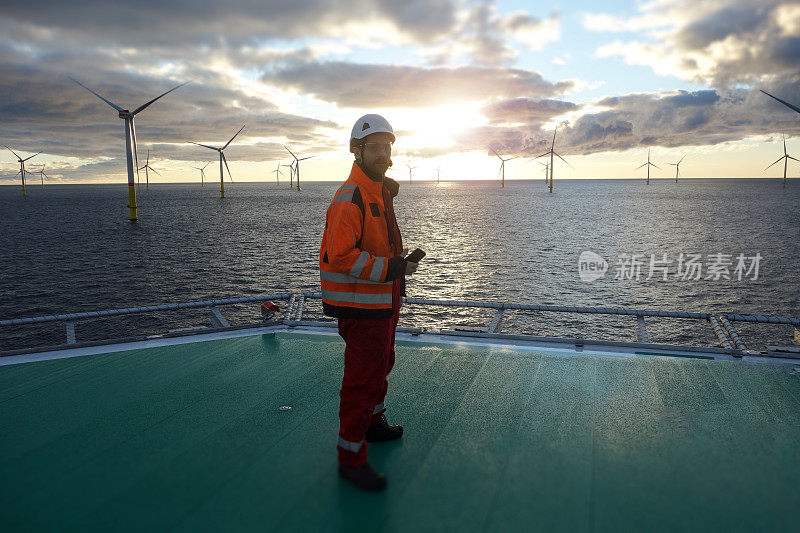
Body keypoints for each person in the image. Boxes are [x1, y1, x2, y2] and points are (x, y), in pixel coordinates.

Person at [319, 114, 418, 491]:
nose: (384, 154)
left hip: (383, 302)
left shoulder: (379, 192)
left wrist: (399, 265)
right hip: (362, 308)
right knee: (361, 380)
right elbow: (341, 256)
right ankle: (350, 459)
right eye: (375, 147)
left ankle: (374, 424)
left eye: (388, 147)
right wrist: (394, 267)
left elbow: (376, 246)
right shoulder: (351, 197)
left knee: (381, 365)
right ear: (356, 151)